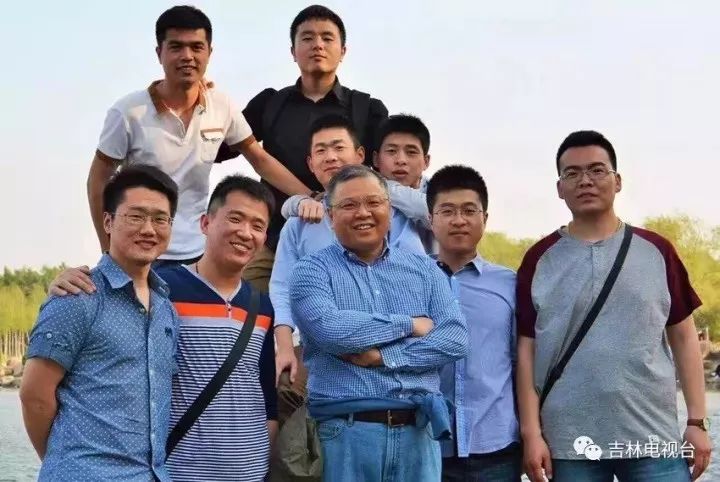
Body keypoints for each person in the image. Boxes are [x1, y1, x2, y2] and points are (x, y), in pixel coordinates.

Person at [48, 176, 280, 481]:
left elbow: (266, 396)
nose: (245, 232)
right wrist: (63, 281)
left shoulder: (263, 306)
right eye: (235, 219)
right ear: (205, 223)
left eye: (257, 225)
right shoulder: (161, 290)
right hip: (178, 470)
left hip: (249, 472)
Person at [516, 130, 711, 482]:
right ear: (559, 188)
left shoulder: (657, 251)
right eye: (572, 173)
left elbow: (684, 337)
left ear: (617, 181)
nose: (585, 181)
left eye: (596, 170)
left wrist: (696, 421)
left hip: (653, 438)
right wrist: (531, 433)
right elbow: (527, 350)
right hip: (569, 442)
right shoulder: (539, 260)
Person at [89, 5, 309, 265]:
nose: (187, 56)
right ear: (159, 53)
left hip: (198, 251)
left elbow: (259, 159)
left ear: (209, 53)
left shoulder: (221, 105)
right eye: (176, 47)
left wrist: (312, 197)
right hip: (142, 250)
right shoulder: (128, 112)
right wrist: (108, 249)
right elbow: (97, 181)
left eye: (196, 47)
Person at [288, 164, 469, 481]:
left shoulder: (425, 270)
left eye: (373, 202)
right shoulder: (311, 270)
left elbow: (455, 339)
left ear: (390, 209)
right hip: (345, 432)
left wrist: (384, 356)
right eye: (349, 205)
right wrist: (410, 324)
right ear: (330, 216)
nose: (363, 213)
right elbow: (331, 330)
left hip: (418, 435)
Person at [21, 166, 179, 481]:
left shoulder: (166, 308)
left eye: (160, 219)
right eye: (136, 216)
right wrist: (65, 463)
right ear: (108, 222)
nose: (149, 229)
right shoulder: (77, 297)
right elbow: (34, 396)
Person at [226, 4, 388, 292]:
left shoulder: (367, 109)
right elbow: (219, 149)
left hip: (347, 246)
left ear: (343, 50)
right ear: (293, 51)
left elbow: (386, 174)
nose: (318, 45)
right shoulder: (270, 104)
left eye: (327, 38)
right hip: (273, 239)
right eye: (308, 38)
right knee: (252, 306)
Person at [270, 114, 427, 404]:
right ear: (310, 164)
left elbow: (416, 278)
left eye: (338, 147)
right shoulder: (298, 224)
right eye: (321, 150)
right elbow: (282, 287)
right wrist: (284, 347)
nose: (330, 157)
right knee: (286, 394)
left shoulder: (391, 216)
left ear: (360, 155)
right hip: (316, 344)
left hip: (385, 343)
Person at [427, 165, 521, 481]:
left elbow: (521, 362)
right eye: (447, 211)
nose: (459, 220)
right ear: (431, 219)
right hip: (427, 447)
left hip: (496, 447)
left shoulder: (509, 285)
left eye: (469, 210)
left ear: (485, 218)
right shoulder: (409, 281)